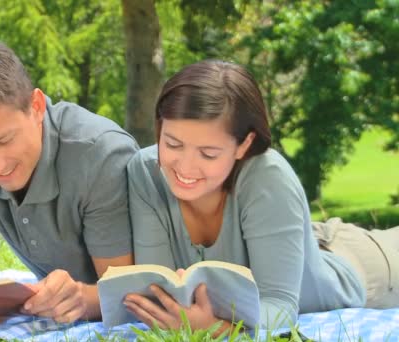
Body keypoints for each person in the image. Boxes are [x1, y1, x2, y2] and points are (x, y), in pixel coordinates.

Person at [123, 60, 399, 334]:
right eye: (173, 144)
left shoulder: (268, 176)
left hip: (370, 271)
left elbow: (279, 305)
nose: (184, 167)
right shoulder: (146, 171)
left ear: (244, 144)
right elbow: (158, 288)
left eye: (208, 153)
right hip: (307, 241)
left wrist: (217, 330)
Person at [0, 40, 138, 332]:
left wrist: (82, 300)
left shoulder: (100, 154)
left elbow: (125, 293)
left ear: (37, 106)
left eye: (4, 141)